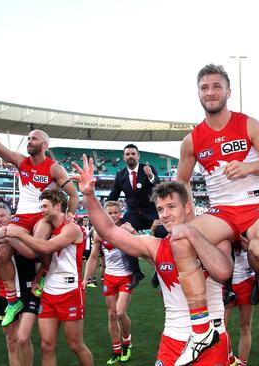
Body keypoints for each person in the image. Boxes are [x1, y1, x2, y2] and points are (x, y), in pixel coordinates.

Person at [176, 63, 259, 365]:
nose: (210, 92)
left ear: (228, 91)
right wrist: (188, 218)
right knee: (180, 239)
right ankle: (201, 329)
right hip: (221, 211)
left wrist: (249, 167)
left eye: (216, 86)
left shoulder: (248, 124)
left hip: (255, 206)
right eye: (204, 88)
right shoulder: (192, 140)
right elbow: (180, 182)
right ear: (198, 93)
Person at [74, 155, 233, 366]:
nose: (165, 214)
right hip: (172, 339)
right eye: (160, 209)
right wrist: (89, 196)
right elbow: (110, 232)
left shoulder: (214, 236)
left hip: (212, 340)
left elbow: (223, 272)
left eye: (171, 207)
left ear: (186, 208)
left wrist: (192, 234)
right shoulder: (155, 245)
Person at [0, 101, 80, 326]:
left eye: (33, 138)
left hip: (41, 216)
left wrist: (70, 215)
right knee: (2, 250)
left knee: (38, 246)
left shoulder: (54, 168)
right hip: (22, 216)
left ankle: (41, 277)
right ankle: (13, 301)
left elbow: (74, 194)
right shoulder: (20, 161)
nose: (29, 141)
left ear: (44, 144)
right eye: (29, 138)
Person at [5, 189, 93, 366]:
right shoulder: (49, 229)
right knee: (46, 346)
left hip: (70, 291)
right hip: (49, 291)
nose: (42, 210)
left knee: (75, 345)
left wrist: (19, 234)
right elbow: (48, 260)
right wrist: (40, 275)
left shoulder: (72, 228)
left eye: (45, 206)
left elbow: (46, 248)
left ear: (58, 206)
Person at [0, 203, 39, 366]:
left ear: (11, 215)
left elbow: (31, 254)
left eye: (2, 216)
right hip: (5, 295)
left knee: (24, 339)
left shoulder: (24, 233)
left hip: (27, 292)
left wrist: (10, 239)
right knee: (11, 342)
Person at [83, 201, 135, 364]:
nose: (113, 215)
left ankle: (127, 342)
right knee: (112, 315)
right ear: (105, 214)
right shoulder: (99, 232)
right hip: (110, 277)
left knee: (120, 312)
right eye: (109, 213)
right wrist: (85, 279)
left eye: (115, 213)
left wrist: (134, 231)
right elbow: (93, 257)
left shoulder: (126, 228)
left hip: (127, 276)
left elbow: (143, 244)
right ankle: (116, 350)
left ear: (120, 214)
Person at [108, 143, 162, 288]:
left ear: (138, 156)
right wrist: (102, 210)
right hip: (133, 214)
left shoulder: (147, 169)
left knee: (161, 231)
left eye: (133, 154)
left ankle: (161, 269)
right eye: (127, 154)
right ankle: (136, 272)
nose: (130, 156)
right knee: (124, 234)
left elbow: (159, 186)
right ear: (123, 157)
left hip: (151, 212)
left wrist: (151, 175)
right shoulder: (120, 175)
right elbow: (113, 195)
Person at [224, 242, 255, 366]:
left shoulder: (247, 226)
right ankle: (224, 358)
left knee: (246, 326)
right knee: (220, 326)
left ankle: (242, 363)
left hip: (246, 280)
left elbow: (249, 247)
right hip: (226, 281)